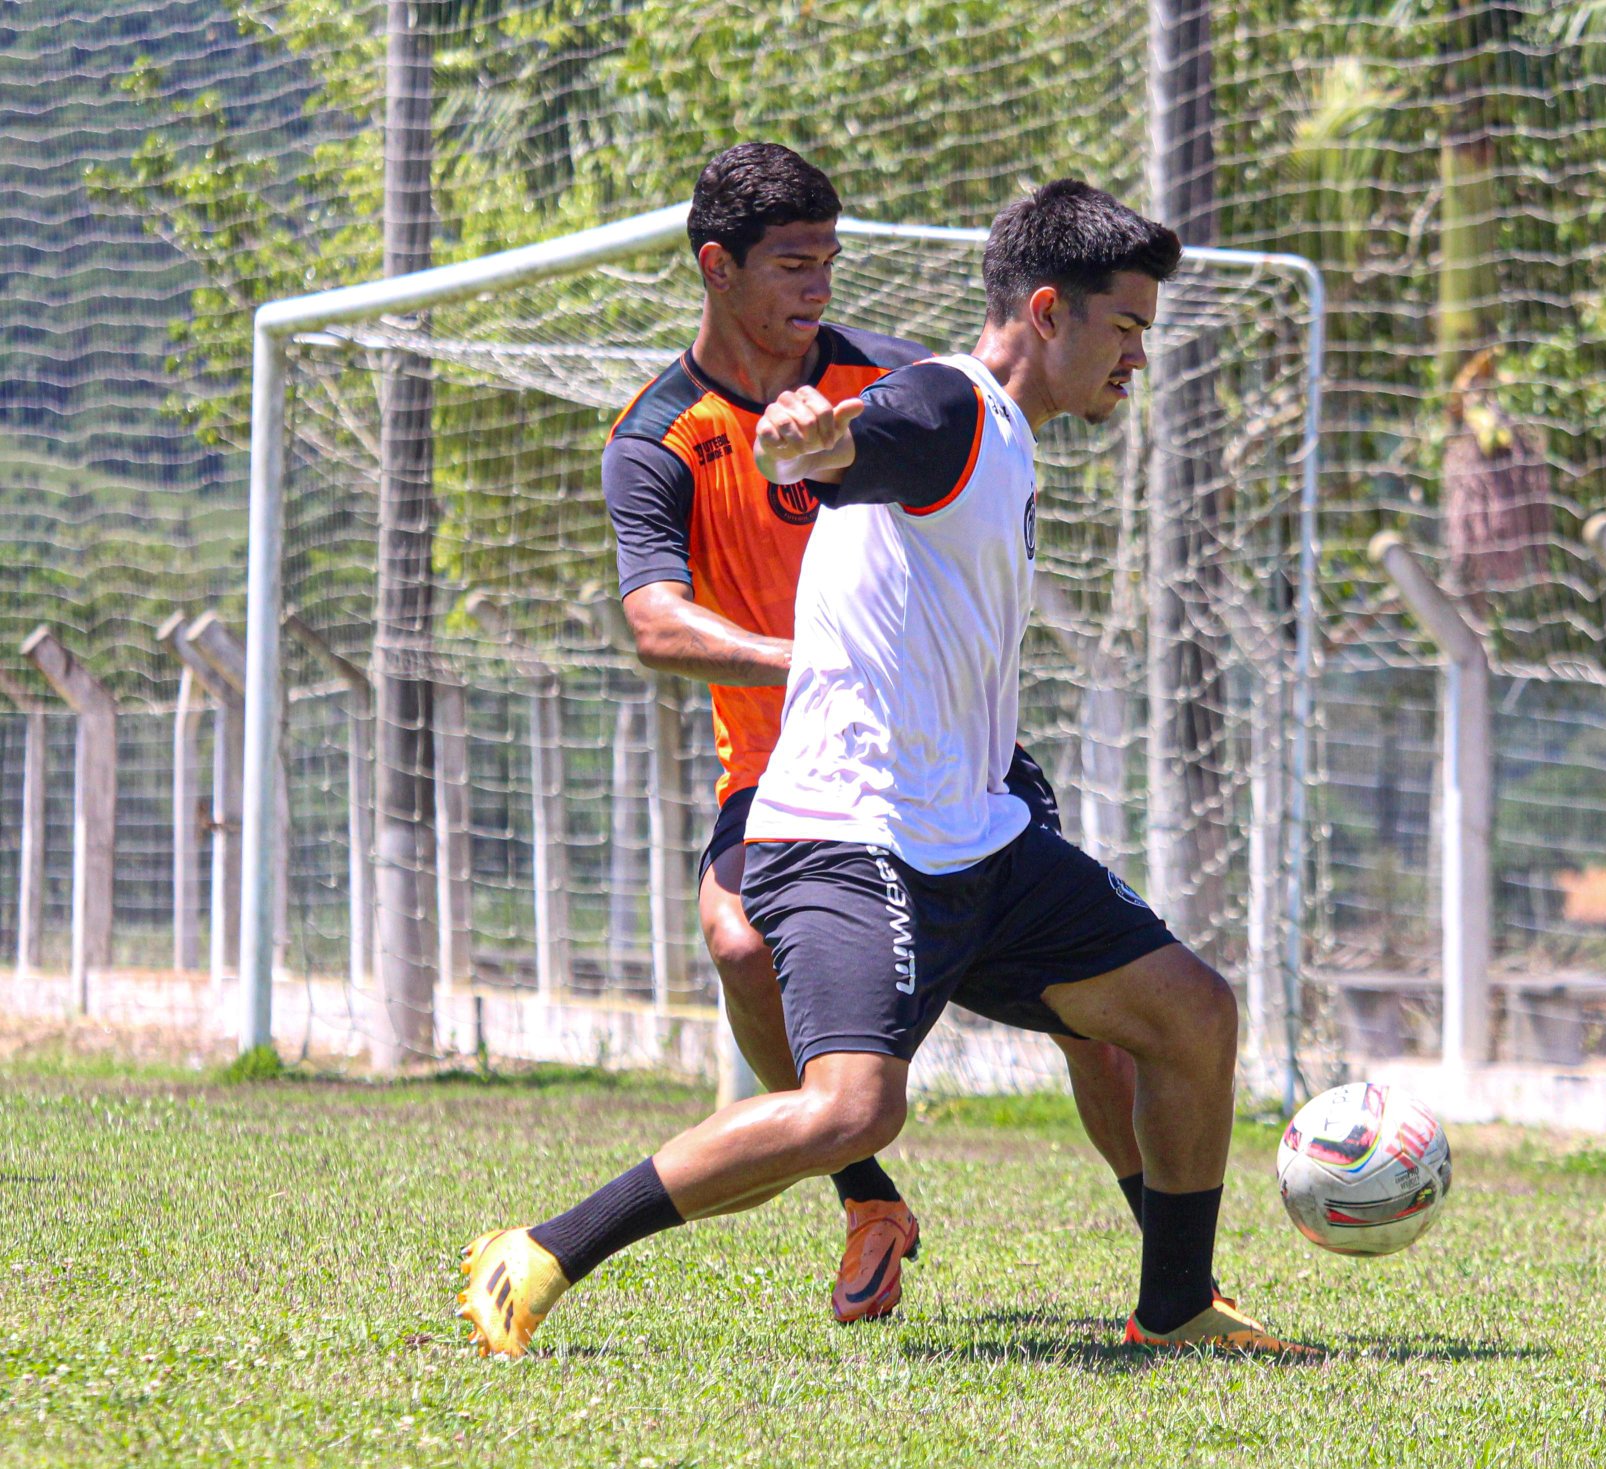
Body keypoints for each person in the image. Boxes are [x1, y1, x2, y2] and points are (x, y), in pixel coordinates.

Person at [459, 177, 1310, 1358]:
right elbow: (882, 436)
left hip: (976, 831)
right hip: (856, 836)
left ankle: (1176, 1306)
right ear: (1051, 312)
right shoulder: (951, 409)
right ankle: (545, 1248)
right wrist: (822, 444)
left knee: (1190, 1013)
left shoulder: (999, 429)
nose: (1136, 362)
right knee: (853, 1108)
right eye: (1126, 331)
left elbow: (879, 434)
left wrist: (829, 439)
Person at [598, 142, 1153, 1323]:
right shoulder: (657, 435)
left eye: (830, 262)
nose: (819, 289)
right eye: (794, 264)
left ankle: (1176, 1265)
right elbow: (654, 622)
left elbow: (962, 430)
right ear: (717, 267)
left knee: (1100, 1025)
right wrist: (800, 661)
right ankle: (861, 1191)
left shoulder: (895, 380)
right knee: (741, 946)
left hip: (952, 760)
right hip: (789, 771)